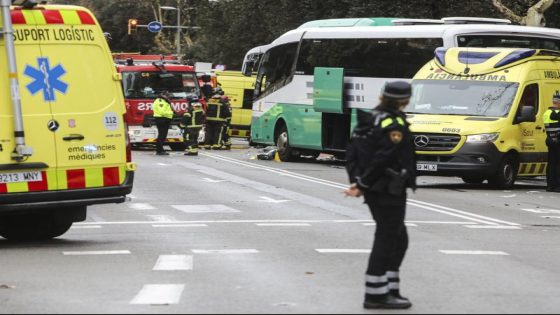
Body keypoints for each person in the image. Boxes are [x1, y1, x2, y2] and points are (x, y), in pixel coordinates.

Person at [345, 81, 416, 310]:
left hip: (375, 188)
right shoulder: (393, 123)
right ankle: (376, 294)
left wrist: (357, 181)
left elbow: (352, 153)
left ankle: (388, 288)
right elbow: (384, 157)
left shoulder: (369, 119)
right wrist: (363, 184)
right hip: (388, 188)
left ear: (382, 95)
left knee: (398, 238)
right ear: (404, 100)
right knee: (388, 238)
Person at [543, 92, 560, 192]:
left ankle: (550, 186)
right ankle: (558, 186)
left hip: (550, 140)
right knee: (558, 164)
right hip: (558, 142)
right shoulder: (557, 114)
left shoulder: (546, 113)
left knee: (551, 164)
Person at [153, 91, 175, 156]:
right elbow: (162, 111)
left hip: (165, 119)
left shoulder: (164, 100)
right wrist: (171, 113)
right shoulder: (160, 101)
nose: (168, 96)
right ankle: (159, 150)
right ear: (163, 95)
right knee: (161, 135)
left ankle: (160, 150)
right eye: (167, 95)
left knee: (163, 135)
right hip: (162, 119)